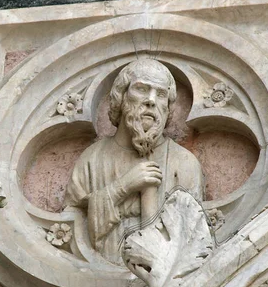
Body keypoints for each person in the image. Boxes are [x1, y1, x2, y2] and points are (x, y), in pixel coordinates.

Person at [65, 59, 203, 265]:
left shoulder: (184, 163)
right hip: (103, 271)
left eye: (161, 94)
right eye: (142, 89)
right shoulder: (92, 159)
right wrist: (124, 186)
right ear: (121, 97)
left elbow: (191, 237)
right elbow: (73, 222)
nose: (151, 100)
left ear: (168, 107)